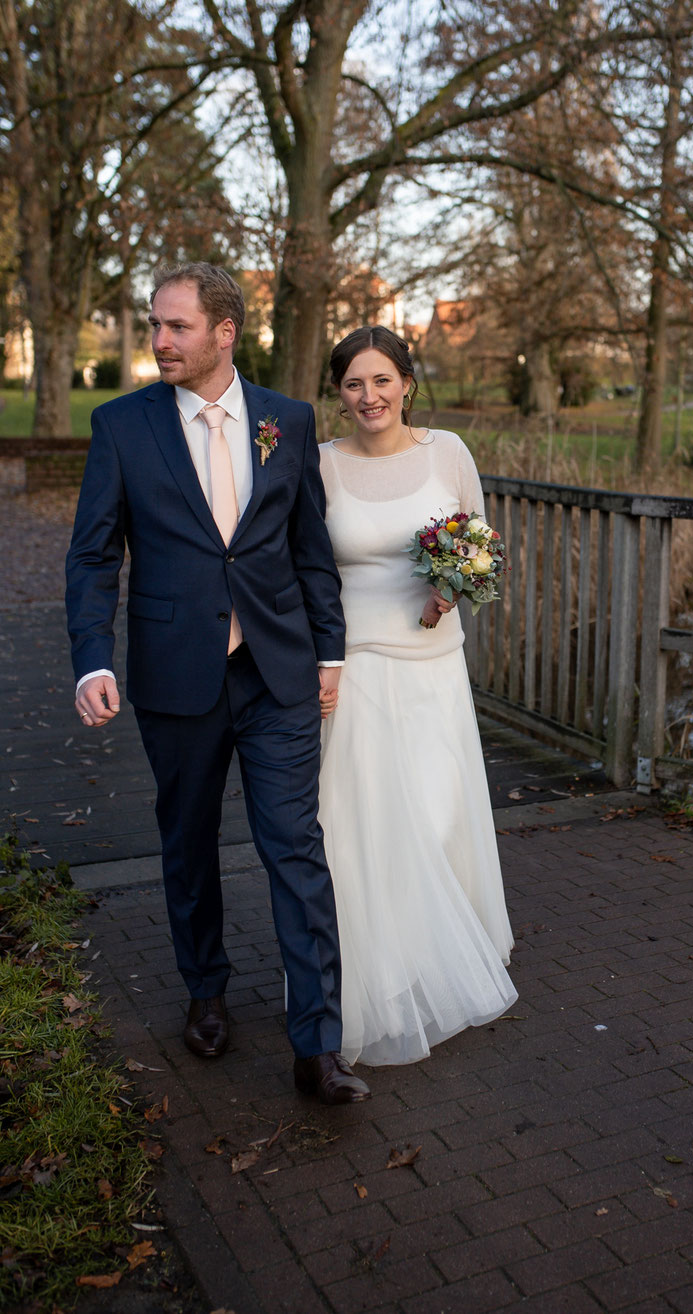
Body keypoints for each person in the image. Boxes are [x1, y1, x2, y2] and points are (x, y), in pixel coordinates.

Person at [65, 262, 370, 1106]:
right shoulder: (123, 426)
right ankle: (206, 992)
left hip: (277, 673)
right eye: (155, 325)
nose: (159, 341)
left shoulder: (288, 421)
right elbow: (94, 553)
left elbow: (310, 547)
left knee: (295, 851)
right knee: (188, 846)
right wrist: (92, 656)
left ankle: (318, 1042)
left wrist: (330, 653)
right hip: (176, 676)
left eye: (176, 327)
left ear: (225, 331)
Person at [316, 325, 517, 1066]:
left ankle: (444, 956)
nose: (369, 396)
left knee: (433, 814)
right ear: (339, 395)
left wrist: (452, 587)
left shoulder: (448, 453)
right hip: (356, 665)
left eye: (381, 381)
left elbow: (482, 546)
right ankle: (382, 974)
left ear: (407, 382)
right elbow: (307, 569)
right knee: (365, 825)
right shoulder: (322, 467)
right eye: (353, 385)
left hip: (432, 663)